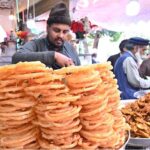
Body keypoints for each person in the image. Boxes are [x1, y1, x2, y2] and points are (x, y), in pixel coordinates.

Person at [12, 3, 80, 69]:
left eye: (65, 32)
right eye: (56, 30)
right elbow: (16, 58)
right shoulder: (36, 45)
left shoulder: (70, 49)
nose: (61, 35)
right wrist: (54, 56)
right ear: (47, 28)